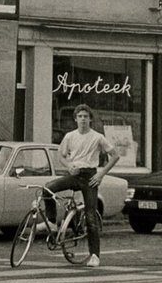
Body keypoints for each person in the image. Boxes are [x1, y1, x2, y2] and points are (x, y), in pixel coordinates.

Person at [46, 103, 119, 268]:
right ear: (75, 119)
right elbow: (62, 156)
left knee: (91, 216)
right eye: (80, 117)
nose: (83, 120)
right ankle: (51, 222)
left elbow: (115, 156)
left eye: (86, 116)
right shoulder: (70, 136)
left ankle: (94, 255)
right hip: (75, 174)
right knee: (48, 188)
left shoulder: (97, 137)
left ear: (90, 119)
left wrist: (101, 174)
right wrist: (68, 166)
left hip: (90, 177)